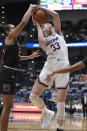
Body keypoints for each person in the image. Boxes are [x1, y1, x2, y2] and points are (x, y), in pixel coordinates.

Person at [0, 4, 40, 131]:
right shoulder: (9, 38)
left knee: (6, 106)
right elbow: (23, 23)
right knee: (7, 107)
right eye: (13, 28)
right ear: (7, 31)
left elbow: (17, 59)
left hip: (10, 73)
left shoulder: (13, 43)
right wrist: (30, 8)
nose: (16, 29)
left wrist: (30, 57)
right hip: (8, 73)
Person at [29, 6, 70, 131]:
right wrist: (37, 25)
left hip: (63, 65)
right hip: (50, 65)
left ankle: (59, 127)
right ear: (43, 29)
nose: (49, 25)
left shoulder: (58, 33)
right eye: (46, 25)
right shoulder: (45, 40)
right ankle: (46, 112)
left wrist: (42, 8)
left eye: (50, 24)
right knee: (32, 96)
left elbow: (56, 15)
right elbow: (41, 42)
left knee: (61, 102)